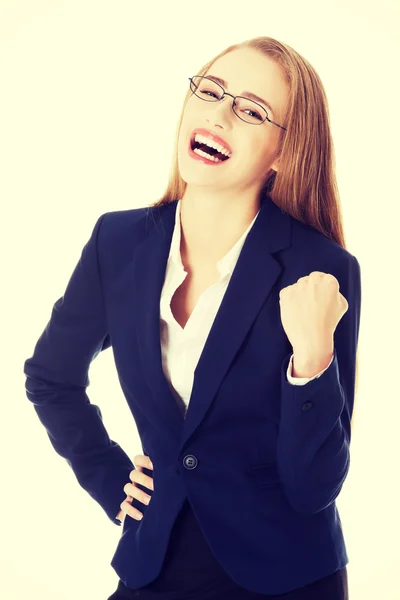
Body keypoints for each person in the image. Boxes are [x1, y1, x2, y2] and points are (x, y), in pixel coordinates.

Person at [23, 35, 361, 599]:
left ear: (284, 151)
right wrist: (112, 482)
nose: (220, 113)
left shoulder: (320, 270)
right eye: (210, 91)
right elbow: (51, 380)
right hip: (152, 560)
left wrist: (312, 361)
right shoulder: (118, 241)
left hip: (285, 576)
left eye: (251, 110)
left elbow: (314, 488)